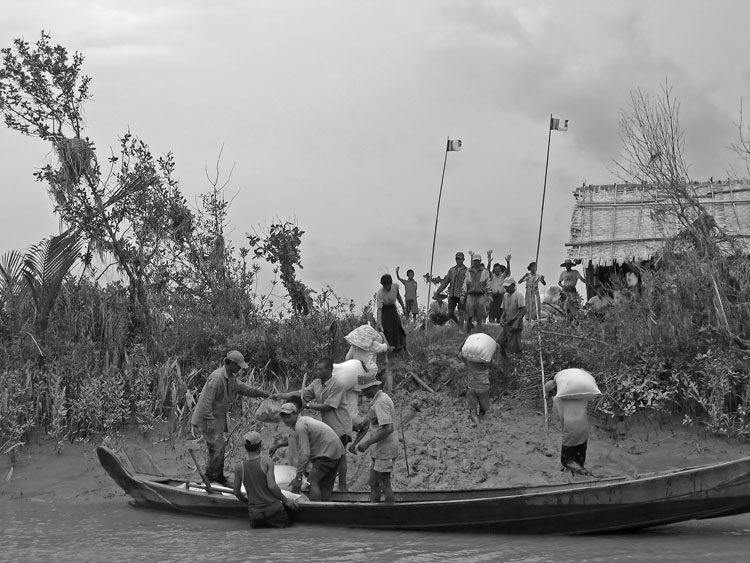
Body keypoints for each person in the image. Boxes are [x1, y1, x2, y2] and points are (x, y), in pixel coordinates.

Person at [190, 350, 269, 485]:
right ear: (231, 363)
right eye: (238, 366)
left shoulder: (231, 378)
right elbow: (206, 402)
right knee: (217, 448)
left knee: (219, 448)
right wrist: (210, 423)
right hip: (208, 419)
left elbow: (244, 388)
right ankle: (210, 479)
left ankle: (218, 477)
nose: (239, 369)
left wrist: (261, 393)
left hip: (217, 419)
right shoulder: (217, 378)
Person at [274, 358, 352, 491]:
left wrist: (308, 405)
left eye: (321, 369)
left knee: (341, 455)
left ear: (329, 370)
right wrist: (281, 395)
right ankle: (327, 483)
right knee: (333, 454)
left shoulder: (337, 386)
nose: (318, 372)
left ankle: (343, 486)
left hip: (340, 425)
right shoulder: (316, 383)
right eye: (317, 369)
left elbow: (328, 407)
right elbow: (300, 394)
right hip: (328, 425)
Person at [278, 402, 346, 501]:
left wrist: (298, 478)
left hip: (327, 452)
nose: (286, 419)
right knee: (325, 485)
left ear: (296, 413)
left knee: (312, 482)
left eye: (288, 415)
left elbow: (305, 454)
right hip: (335, 450)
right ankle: (325, 510)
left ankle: (316, 509)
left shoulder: (300, 426)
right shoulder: (303, 422)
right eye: (283, 417)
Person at [233, 431, 299, 528]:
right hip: (274, 511)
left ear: (245, 447)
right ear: (260, 445)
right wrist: (286, 501)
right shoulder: (266, 462)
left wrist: (245, 500)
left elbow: (236, 492)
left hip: (255, 514)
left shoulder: (239, 467)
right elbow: (272, 486)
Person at [352, 374, 399, 504]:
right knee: (373, 482)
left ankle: (390, 514)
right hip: (378, 449)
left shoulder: (381, 402)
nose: (362, 392)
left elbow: (388, 428)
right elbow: (373, 424)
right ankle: (374, 508)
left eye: (363, 389)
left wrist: (367, 443)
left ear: (371, 388)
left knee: (384, 484)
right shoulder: (377, 401)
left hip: (385, 451)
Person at [544, 379, 590, 474]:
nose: (552, 396)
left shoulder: (557, 399)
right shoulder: (579, 394)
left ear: (553, 391)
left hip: (570, 432)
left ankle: (583, 472)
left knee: (565, 461)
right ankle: (578, 472)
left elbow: (556, 418)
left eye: (551, 394)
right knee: (579, 458)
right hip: (584, 430)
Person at [459, 336, 497, 426]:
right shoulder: (486, 363)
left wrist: (465, 341)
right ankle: (483, 421)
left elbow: (459, 353)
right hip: (484, 388)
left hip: (472, 388)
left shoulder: (468, 361)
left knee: (472, 412)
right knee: (483, 409)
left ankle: (478, 425)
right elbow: (493, 359)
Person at [433, 251, 468, 333]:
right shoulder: (451, 270)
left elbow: (468, 282)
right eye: (457, 259)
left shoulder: (467, 270)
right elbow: (445, 283)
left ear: (463, 259)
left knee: (461, 311)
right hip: (452, 293)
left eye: (459, 259)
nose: (458, 260)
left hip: (462, 293)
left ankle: (460, 329)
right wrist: (437, 292)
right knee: (450, 312)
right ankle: (459, 324)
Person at [495, 276, 526, 360]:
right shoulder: (505, 296)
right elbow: (504, 310)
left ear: (513, 285)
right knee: (499, 342)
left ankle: (518, 363)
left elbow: (523, 309)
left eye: (508, 287)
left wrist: (517, 321)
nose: (506, 288)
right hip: (507, 323)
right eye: (505, 287)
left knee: (516, 346)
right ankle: (505, 360)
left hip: (515, 323)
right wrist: (502, 318)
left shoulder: (518, 295)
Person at [376, 274, 408, 354]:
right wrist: (379, 322)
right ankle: (391, 350)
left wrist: (403, 307)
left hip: (393, 308)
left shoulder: (395, 287)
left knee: (398, 327)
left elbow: (398, 296)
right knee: (388, 330)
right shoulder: (380, 293)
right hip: (385, 310)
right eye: (385, 286)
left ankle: (404, 349)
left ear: (391, 283)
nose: (387, 288)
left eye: (388, 285)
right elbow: (379, 309)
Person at [461, 253, 491, 334]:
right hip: (470, 295)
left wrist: (489, 294)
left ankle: (479, 334)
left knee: (479, 316)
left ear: (480, 261)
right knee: (469, 316)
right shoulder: (468, 271)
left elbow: (488, 283)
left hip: (480, 295)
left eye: (477, 261)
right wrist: (463, 295)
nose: (476, 262)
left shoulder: (485, 271)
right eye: (475, 261)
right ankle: (468, 334)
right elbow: (465, 283)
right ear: (473, 261)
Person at [487, 252, 511, 323]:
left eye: (498, 269)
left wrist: (508, 262)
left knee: (500, 311)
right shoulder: (492, 276)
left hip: (501, 296)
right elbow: (487, 270)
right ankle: (491, 323)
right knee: (491, 311)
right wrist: (489, 261)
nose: (497, 270)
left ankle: (499, 323)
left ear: (500, 270)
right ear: (494, 270)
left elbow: (508, 271)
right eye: (496, 269)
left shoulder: (503, 276)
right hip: (493, 296)